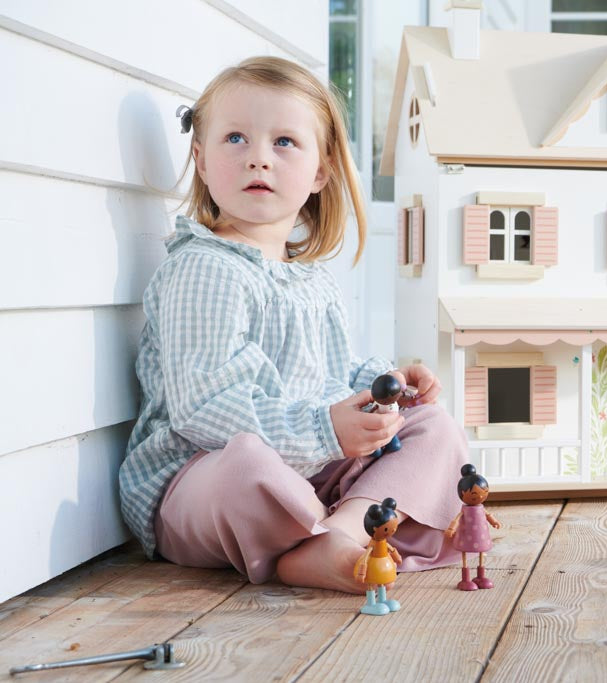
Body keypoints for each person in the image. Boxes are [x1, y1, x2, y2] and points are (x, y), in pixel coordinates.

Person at [119, 56, 467, 593]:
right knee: (245, 462)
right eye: (235, 138)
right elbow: (205, 409)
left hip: (308, 476)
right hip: (198, 483)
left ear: (320, 172)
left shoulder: (310, 279)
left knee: (433, 426)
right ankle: (312, 537)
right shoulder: (204, 268)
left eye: (284, 142)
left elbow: (329, 371)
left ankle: (339, 535)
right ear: (203, 161)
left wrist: (382, 391)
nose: (259, 158)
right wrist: (326, 429)